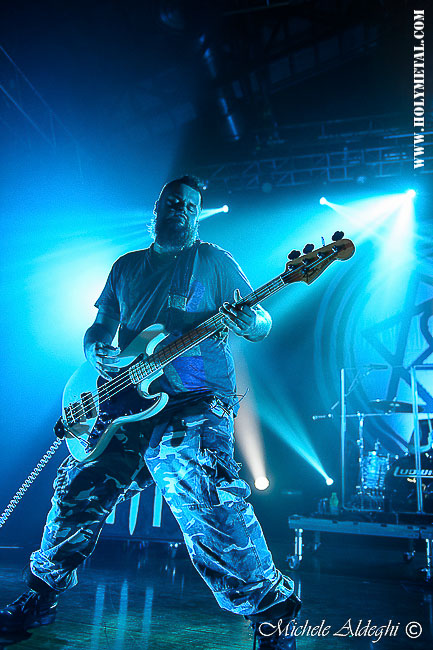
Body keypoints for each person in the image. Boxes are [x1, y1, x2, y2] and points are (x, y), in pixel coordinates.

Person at [0, 176, 300, 648]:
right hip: (126, 401)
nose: (181, 208)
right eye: (173, 201)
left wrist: (252, 321)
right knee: (77, 488)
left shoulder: (214, 261)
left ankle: (272, 614)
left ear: (197, 217)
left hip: (196, 399)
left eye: (191, 205)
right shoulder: (126, 267)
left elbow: (260, 322)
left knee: (203, 491)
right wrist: (96, 348)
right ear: (157, 208)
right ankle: (40, 596)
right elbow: (101, 326)